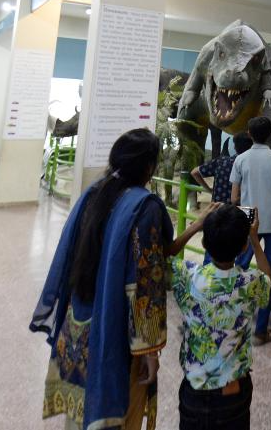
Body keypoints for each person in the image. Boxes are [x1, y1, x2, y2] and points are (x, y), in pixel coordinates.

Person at [29, 128, 172, 430]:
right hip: (113, 333)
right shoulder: (144, 207)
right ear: (149, 167)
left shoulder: (94, 193)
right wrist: (149, 350)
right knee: (118, 417)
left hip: (77, 326)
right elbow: (146, 283)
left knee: (78, 418)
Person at [170, 204, 271, 430]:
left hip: (195, 390)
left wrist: (196, 225)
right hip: (233, 391)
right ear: (243, 247)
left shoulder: (187, 275)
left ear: (204, 243)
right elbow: (268, 278)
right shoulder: (250, 282)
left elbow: (160, 258)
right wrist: (255, 239)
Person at [230, 115, 271, 345]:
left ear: (249, 134)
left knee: (240, 267)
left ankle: (235, 320)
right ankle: (260, 330)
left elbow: (234, 197)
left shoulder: (241, 159)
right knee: (269, 273)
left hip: (248, 218)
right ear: (269, 134)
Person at [191, 132, 253, 205]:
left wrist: (209, 190)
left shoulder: (220, 161)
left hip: (217, 209)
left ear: (235, 147)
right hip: (237, 210)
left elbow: (194, 172)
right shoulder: (250, 165)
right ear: (250, 147)